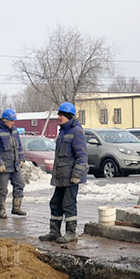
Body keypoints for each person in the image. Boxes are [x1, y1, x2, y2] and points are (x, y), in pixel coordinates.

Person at [39, 102, 88, 243]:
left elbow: (82, 156)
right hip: (61, 175)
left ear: (68, 116)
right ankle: (54, 232)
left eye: (61, 115)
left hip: (71, 177)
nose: (59, 117)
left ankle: (71, 233)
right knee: (55, 203)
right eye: (59, 114)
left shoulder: (76, 131)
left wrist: (77, 175)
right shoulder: (63, 131)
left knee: (68, 203)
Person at [0, 108, 26, 219]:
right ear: (5, 120)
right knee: (2, 189)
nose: (13, 123)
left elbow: (19, 147)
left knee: (20, 184)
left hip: (14, 165)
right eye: (11, 121)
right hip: (3, 167)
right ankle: (2, 210)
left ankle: (16, 207)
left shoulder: (14, 131)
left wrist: (22, 159)